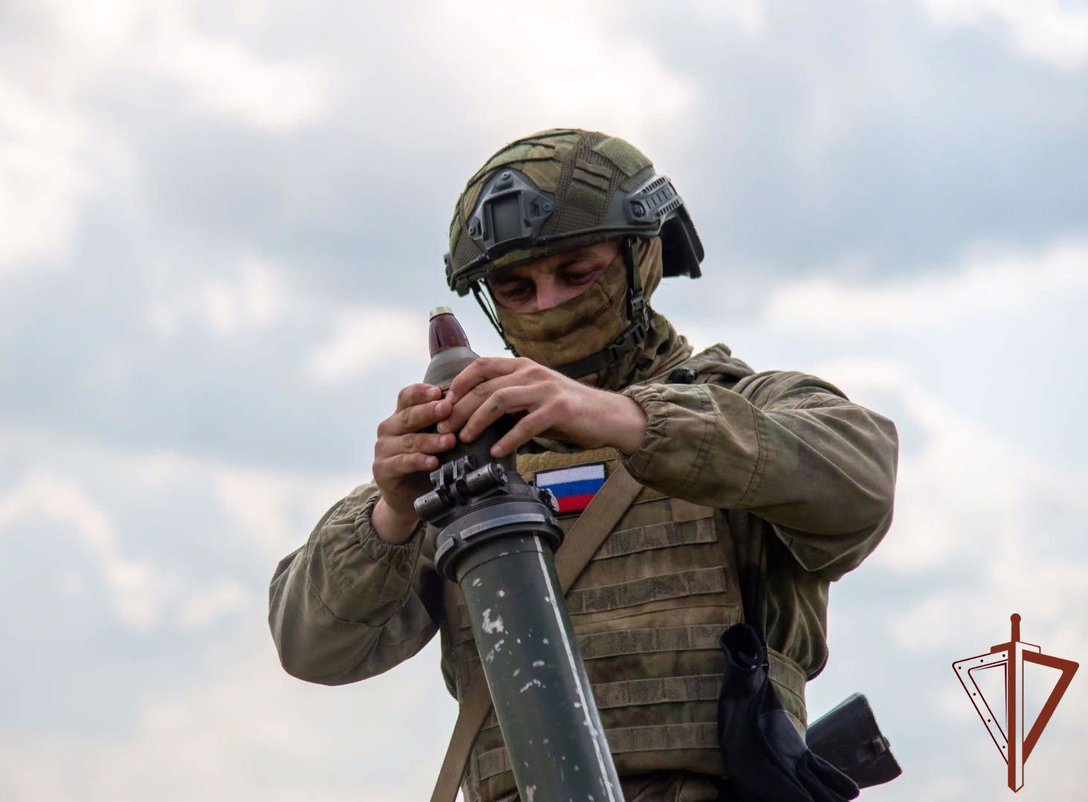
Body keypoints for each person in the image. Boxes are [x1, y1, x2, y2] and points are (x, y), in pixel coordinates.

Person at [269, 128, 898, 802]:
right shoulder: (468, 460)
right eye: (516, 288)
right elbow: (312, 647)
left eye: (576, 274)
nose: (548, 305)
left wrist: (629, 419)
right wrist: (393, 512)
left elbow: (860, 479)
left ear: (641, 259)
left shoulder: (747, 404)